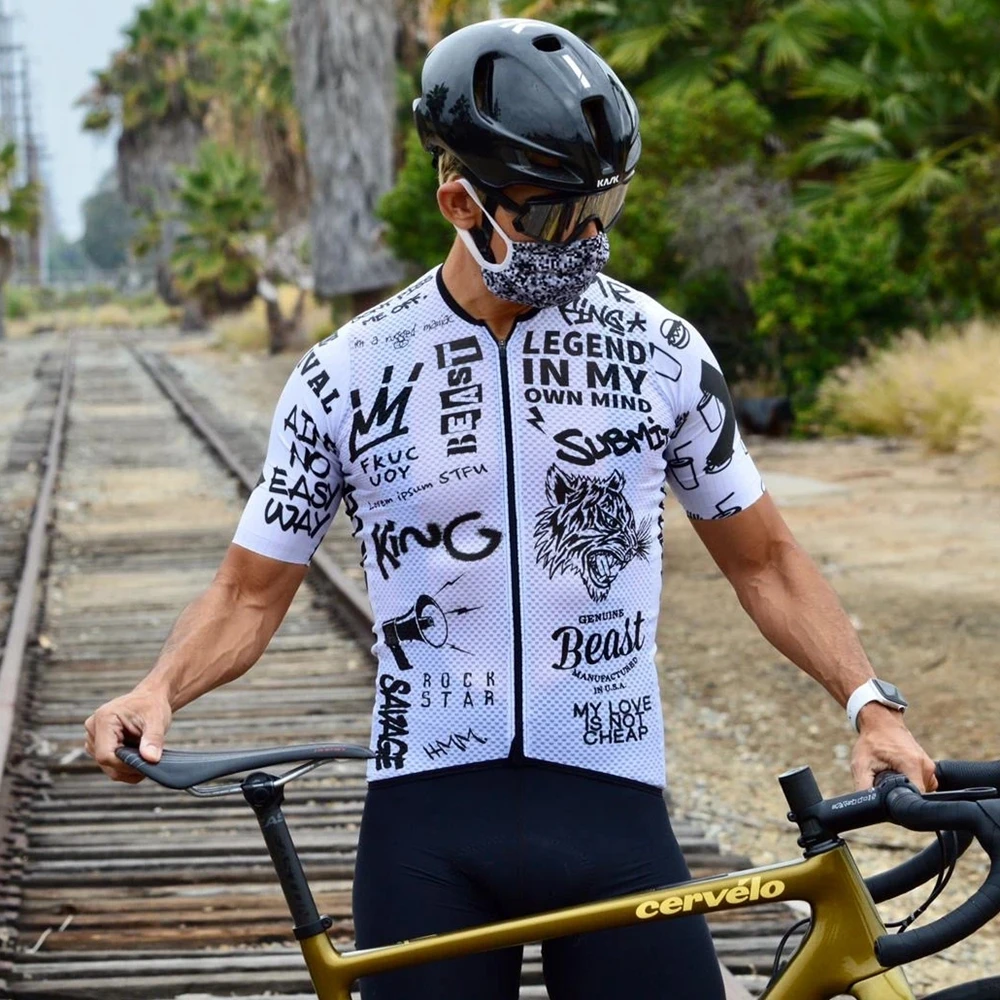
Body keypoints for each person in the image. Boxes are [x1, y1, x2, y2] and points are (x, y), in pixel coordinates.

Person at [85, 18, 937, 1000]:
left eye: (604, 206)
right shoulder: (347, 373)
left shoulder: (660, 353)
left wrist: (870, 705)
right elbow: (248, 593)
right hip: (428, 831)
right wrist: (159, 690)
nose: (588, 239)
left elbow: (766, 561)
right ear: (459, 202)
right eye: (556, 215)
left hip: (614, 807)